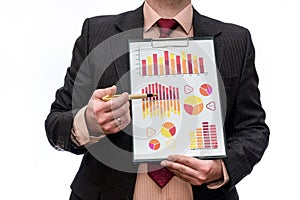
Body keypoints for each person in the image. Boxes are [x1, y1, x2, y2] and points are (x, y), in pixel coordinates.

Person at [45, 0, 270, 199]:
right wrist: (89, 122)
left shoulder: (235, 41)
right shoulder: (96, 33)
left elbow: (253, 127)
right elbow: (56, 123)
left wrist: (221, 170)